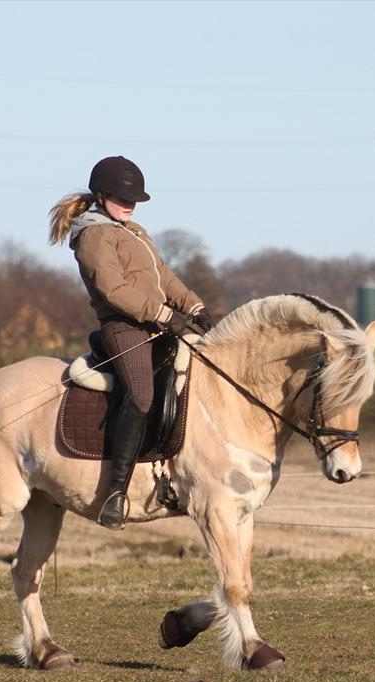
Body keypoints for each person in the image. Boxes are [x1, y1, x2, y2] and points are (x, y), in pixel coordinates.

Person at [48, 156, 215, 530]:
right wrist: (162, 315)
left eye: (134, 199)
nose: (130, 204)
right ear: (101, 195)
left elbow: (165, 278)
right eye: (124, 198)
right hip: (124, 328)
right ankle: (115, 491)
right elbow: (113, 290)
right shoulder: (93, 235)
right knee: (141, 395)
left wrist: (195, 307)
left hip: (157, 324)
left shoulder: (134, 231)